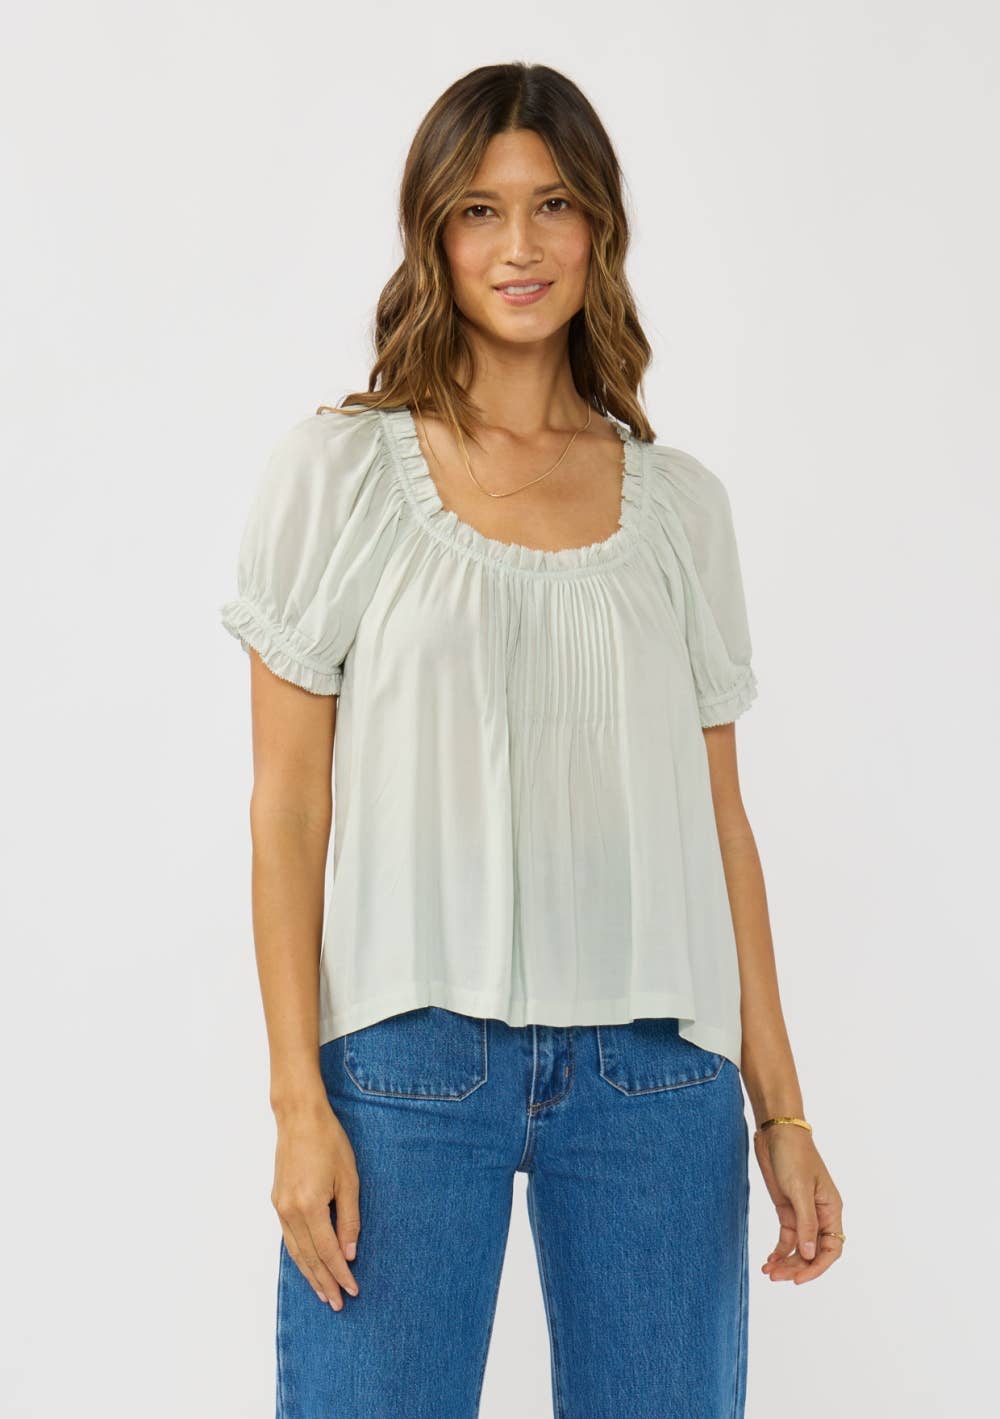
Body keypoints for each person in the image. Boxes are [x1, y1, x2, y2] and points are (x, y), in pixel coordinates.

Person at [219, 61, 845, 1419]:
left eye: (553, 204)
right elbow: (286, 809)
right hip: (404, 1063)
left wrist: (782, 1113)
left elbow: (722, 827)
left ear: (599, 227)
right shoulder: (339, 478)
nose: (519, 245)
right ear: (434, 235)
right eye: (480, 210)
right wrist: (296, 1105)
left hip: (656, 1073)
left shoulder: (680, 508)